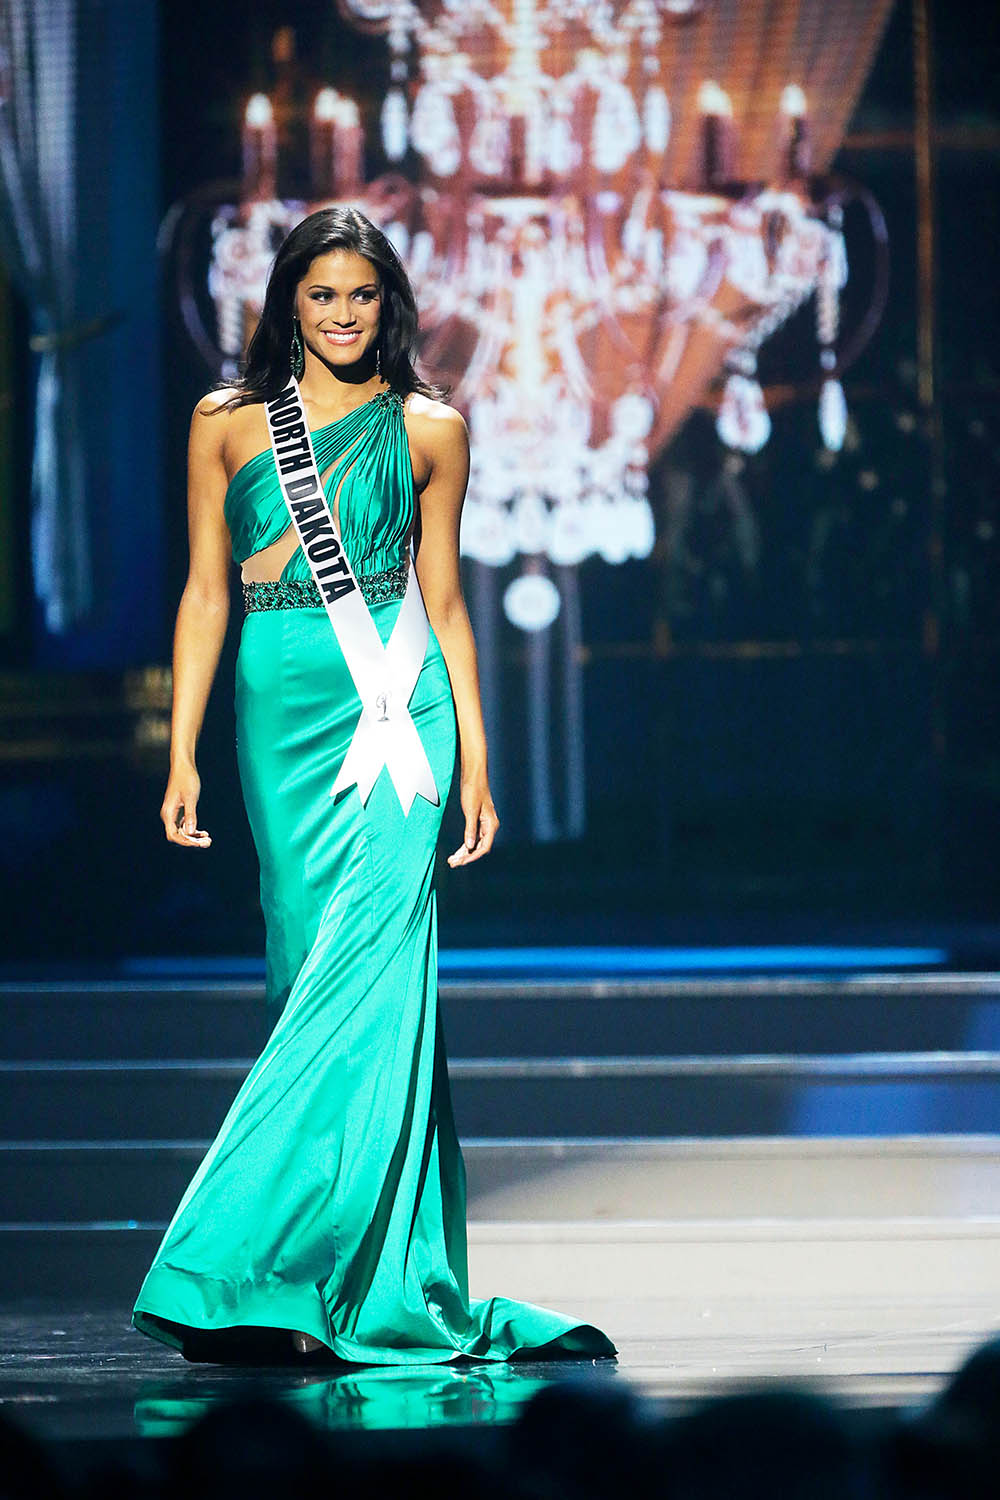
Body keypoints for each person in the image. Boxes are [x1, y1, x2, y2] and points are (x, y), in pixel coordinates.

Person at [131, 206, 616, 1366]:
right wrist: (180, 748)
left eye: (361, 296)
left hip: (400, 711)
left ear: (386, 304)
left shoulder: (430, 428)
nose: (342, 315)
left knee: (380, 981)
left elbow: (444, 600)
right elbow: (206, 593)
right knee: (310, 979)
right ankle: (310, 1269)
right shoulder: (227, 423)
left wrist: (481, 765)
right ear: (286, 302)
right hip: (279, 704)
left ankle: (276, 1266)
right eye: (320, 296)